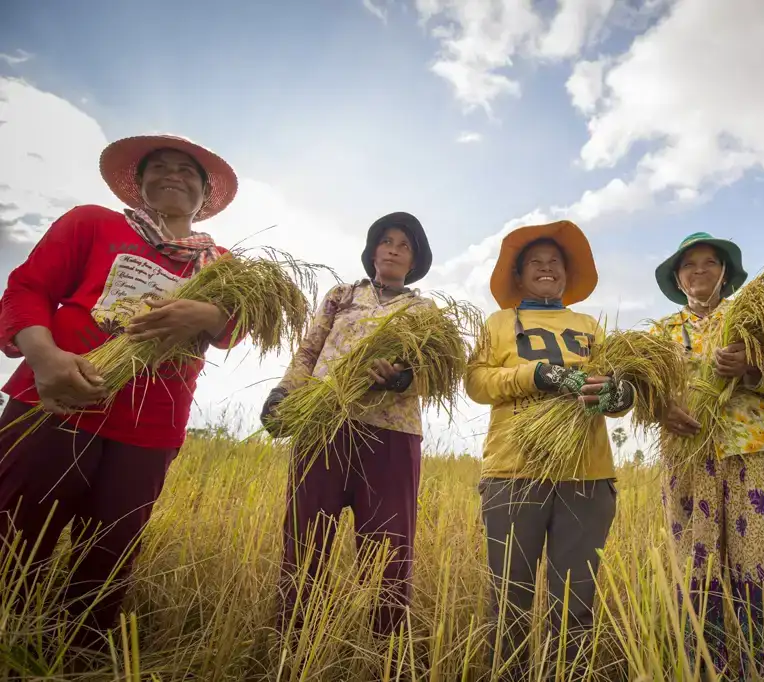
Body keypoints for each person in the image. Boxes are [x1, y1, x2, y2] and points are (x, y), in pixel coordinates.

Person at [0, 134, 241, 653]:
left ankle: (78, 654)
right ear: (139, 183)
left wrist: (209, 312)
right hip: (55, 402)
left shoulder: (221, 265)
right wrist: (45, 359)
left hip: (149, 427)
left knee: (108, 556)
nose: (172, 175)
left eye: (188, 171)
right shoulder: (93, 223)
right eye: (160, 167)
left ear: (204, 195)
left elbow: (238, 325)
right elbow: (27, 289)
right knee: (14, 537)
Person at [465, 220, 634, 680]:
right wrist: (535, 375)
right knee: (509, 604)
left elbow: (619, 387)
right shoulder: (499, 323)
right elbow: (476, 382)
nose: (546, 268)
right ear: (519, 276)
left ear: (566, 273)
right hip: (513, 473)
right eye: (535, 262)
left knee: (576, 604)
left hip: (586, 475)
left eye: (554, 262)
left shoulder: (589, 326)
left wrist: (619, 394)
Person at [260, 212, 434, 640]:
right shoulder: (343, 295)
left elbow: (436, 371)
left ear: (414, 261)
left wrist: (402, 378)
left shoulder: (423, 310)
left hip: (391, 435)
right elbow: (309, 351)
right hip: (323, 425)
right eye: (387, 241)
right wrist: (284, 393)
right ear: (373, 251)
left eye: (405, 245)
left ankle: (384, 652)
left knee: (389, 549)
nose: (393, 249)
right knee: (305, 538)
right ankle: (294, 644)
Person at [651, 232, 764, 676]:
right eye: (689, 265)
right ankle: (705, 671)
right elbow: (645, 391)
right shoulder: (661, 333)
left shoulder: (756, 322)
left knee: (761, 565)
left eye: (710, 263)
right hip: (688, 459)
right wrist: (660, 409)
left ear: (725, 274)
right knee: (696, 569)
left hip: (755, 455)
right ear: (678, 280)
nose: (699, 270)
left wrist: (752, 369)